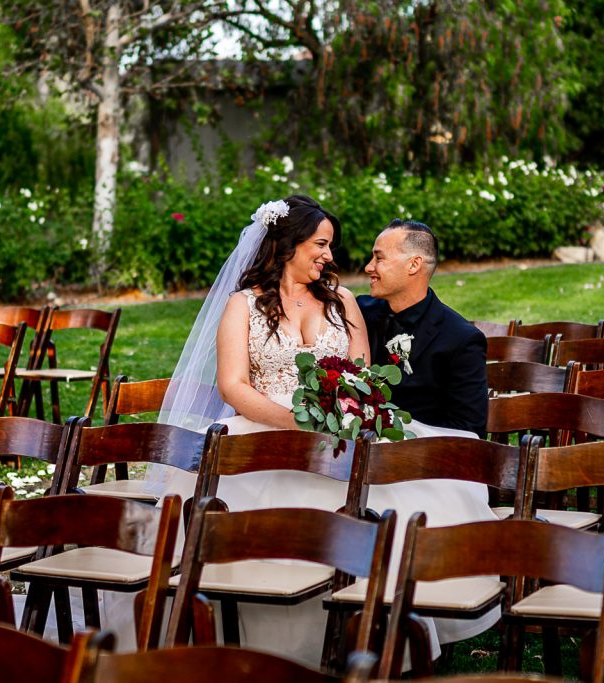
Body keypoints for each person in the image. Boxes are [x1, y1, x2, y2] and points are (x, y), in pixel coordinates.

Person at [123, 198, 495, 663]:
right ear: (287, 245)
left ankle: (361, 641)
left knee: (399, 500)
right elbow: (233, 385)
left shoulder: (342, 302)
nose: (330, 256)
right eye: (320, 244)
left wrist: (340, 416)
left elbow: (361, 375)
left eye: (330, 246)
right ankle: (240, 649)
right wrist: (295, 423)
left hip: (338, 431)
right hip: (257, 430)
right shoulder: (242, 305)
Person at [357, 220, 489, 435]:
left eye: (379, 258)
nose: (369, 267)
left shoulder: (461, 339)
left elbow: (468, 430)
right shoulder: (360, 311)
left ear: (413, 265)